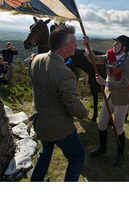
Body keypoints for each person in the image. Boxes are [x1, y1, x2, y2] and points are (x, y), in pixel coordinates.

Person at [27, 24, 89, 182]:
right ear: (63, 48)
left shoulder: (37, 60)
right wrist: (85, 113)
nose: (77, 45)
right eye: (74, 42)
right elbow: (73, 105)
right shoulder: (65, 74)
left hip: (39, 122)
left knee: (45, 150)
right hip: (59, 127)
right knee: (77, 155)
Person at [83, 35, 129, 166]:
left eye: (116, 44)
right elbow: (94, 59)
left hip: (122, 99)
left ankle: (120, 153)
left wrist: (104, 82)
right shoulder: (109, 55)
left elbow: (124, 83)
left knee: (118, 127)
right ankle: (102, 147)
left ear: (123, 48)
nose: (113, 46)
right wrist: (87, 46)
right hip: (109, 96)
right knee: (101, 124)